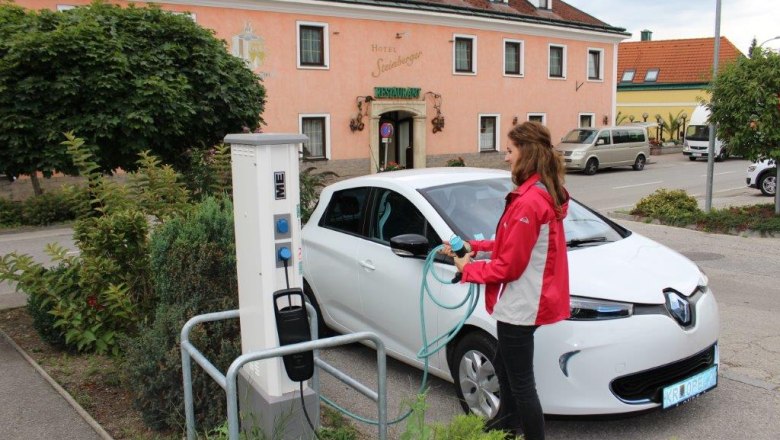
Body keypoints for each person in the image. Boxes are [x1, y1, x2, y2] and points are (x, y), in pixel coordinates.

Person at [445, 121, 570, 440]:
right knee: (504, 368)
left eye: (510, 150)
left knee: (522, 385)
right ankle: (504, 430)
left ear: (526, 153)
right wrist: (474, 246)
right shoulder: (541, 192)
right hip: (526, 300)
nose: (505, 157)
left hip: (521, 305)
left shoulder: (529, 201)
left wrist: (466, 268)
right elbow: (510, 243)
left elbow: (508, 267)